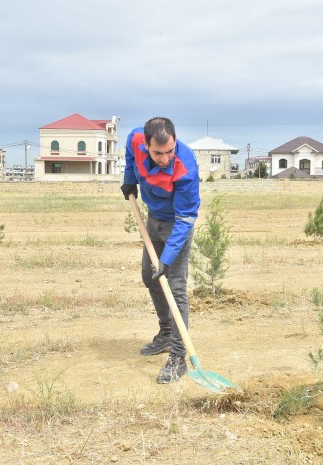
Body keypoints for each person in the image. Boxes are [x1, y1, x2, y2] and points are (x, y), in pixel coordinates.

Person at [120, 117, 200, 384]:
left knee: (174, 287)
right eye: (158, 153)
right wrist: (130, 178)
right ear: (147, 145)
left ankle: (178, 356)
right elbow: (130, 151)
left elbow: (186, 218)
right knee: (149, 276)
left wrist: (166, 259)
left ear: (175, 142)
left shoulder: (185, 168)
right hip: (153, 220)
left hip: (176, 226)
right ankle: (166, 332)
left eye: (169, 151)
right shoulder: (136, 139)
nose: (165, 158)